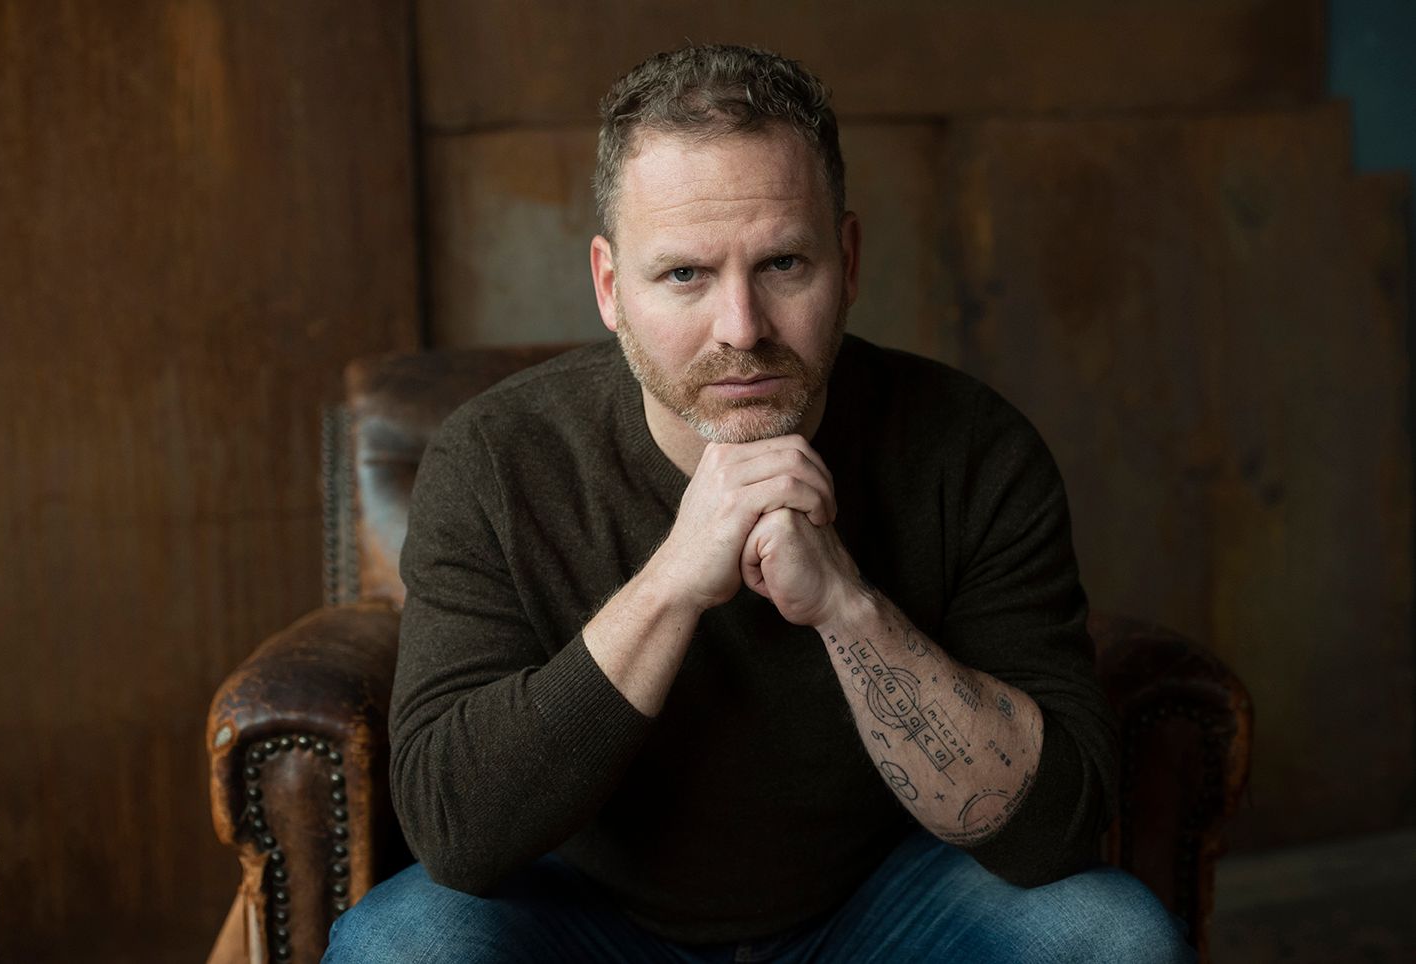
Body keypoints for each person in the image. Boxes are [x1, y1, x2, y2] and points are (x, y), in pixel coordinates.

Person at [325, 43, 1191, 963]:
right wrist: (673, 581)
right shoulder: (494, 460)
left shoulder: (973, 451)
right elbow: (455, 834)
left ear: (847, 259)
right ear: (611, 287)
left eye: (782, 263)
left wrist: (846, 606)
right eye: (684, 276)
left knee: (1112, 939)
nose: (742, 329)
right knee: (401, 948)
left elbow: (1055, 830)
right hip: (588, 920)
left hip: (884, 910)